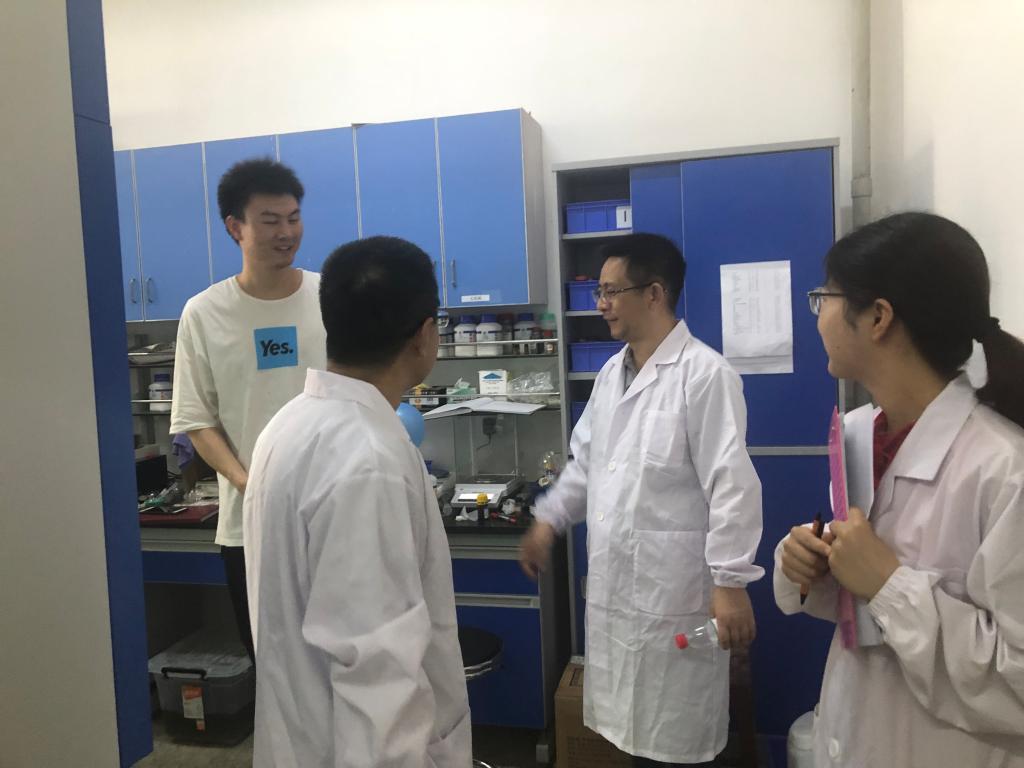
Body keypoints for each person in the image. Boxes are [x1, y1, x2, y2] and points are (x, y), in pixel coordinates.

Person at [774, 212, 1024, 766]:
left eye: (825, 298)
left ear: (878, 317)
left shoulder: (1005, 469)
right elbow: (867, 617)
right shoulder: (860, 434)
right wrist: (814, 568)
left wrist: (888, 584)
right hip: (859, 732)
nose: (818, 318)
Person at [519, 233, 763, 766]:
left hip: (676, 597)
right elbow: (586, 466)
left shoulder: (705, 375)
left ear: (654, 293)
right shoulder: (611, 374)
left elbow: (731, 484)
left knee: (677, 746)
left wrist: (729, 581)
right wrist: (549, 521)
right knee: (631, 738)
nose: (600, 304)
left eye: (611, 291)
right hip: (620, 596)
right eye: (598, 292)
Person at [242, 236, 470, 767]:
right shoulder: (369, 460)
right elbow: (377, 674)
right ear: (425, 334)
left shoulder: (288, 425)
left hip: (302, 738)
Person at [169, 158, 325, 662]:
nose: (287, 232)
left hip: (333, 514)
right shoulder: (204, 313)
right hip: (251, 527)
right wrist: (252, 485)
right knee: (273, 665)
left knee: (346, 661)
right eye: (270, 220)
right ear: (235, 227)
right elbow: (195, 420)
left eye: (293, 218)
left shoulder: (330, 297)